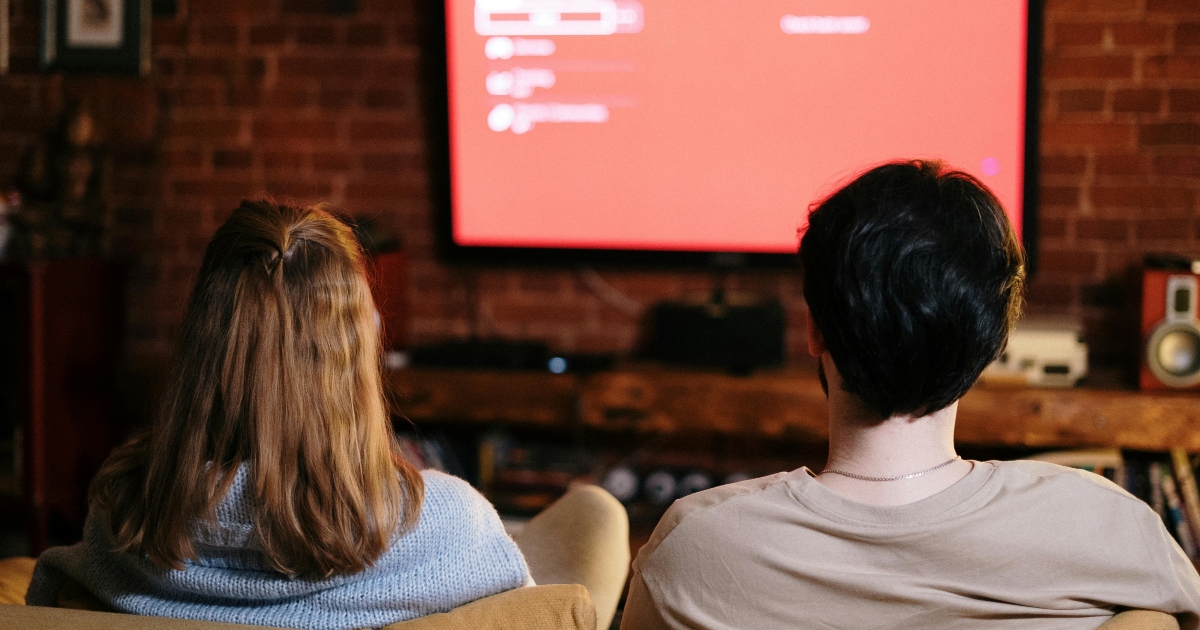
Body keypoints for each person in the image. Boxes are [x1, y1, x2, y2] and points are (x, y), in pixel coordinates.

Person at [620, 161, 1200, 629]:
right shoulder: (1108, 527)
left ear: (815, 330)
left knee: (592, 514)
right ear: (994, 341)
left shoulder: (691, 548)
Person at [25, 201, 530, 629]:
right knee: (595, 511)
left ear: (203, 345)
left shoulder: (123, 514)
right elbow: (533, 605)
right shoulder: (448, 524)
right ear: (354, 354)